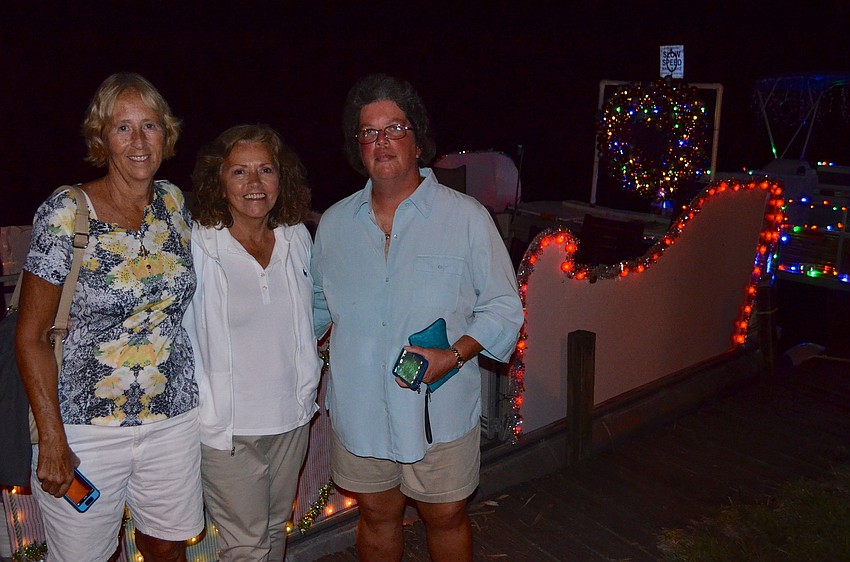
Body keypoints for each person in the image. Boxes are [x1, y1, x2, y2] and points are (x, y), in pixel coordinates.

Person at [311, 74, 524, 561]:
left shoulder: (466, 217)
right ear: (357, 145)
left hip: (438, 412)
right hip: (361, 413)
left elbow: (503, 307)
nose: (381, 141)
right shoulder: (335, 225)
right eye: (369, 132)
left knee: (445, 516)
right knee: (375, 515)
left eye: (394, 128)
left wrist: (453, 356)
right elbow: (314, 311)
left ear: (418, 139)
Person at [15, 73, 203, 561]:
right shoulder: (66, 212)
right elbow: (31, 335)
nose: (139, 141)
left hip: (172, 419)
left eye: (150, 126)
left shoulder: (173, 203)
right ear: (102, 138)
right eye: (123, 128)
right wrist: (52, 437)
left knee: (167, 548)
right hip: (84, 430)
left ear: (167, 133)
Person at [185, 124, 322, 561]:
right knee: (245, 546)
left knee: (273, 533)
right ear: (218, 180)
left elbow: (313, 313)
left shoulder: (297, 237)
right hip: (229, 429)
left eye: (265, 170)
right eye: (239, 172)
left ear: (282, 179)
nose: (254, 184)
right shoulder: (198, 244)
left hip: (291, 419)